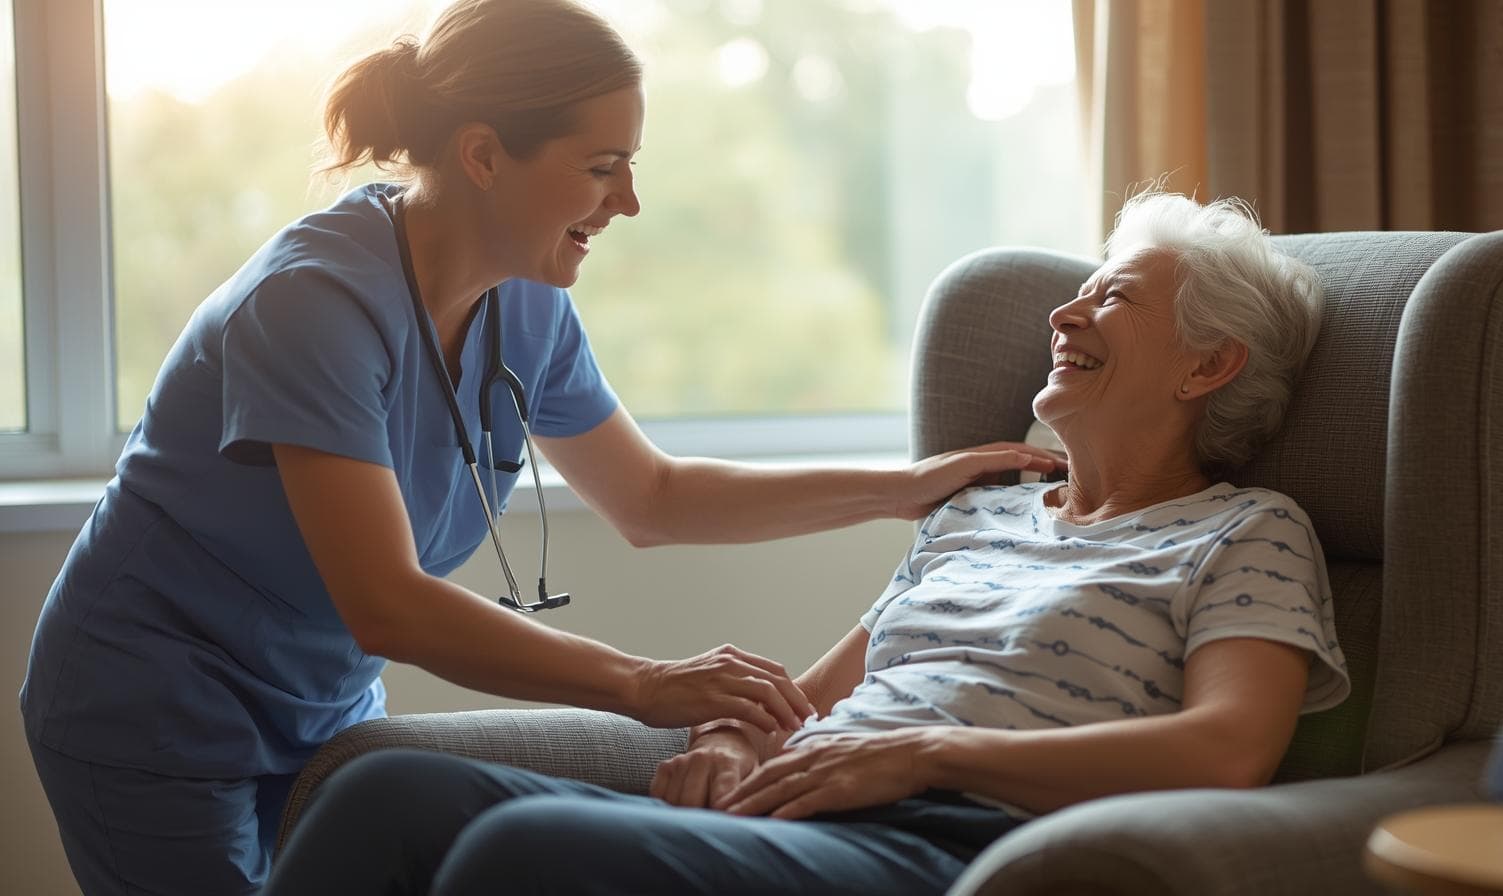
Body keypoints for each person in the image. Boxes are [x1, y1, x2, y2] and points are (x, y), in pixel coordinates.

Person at [17, 2, 1064, 894]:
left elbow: (653, 496)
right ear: (481, 154)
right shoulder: (313, 307)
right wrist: (646, 683)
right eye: (601, 166)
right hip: (153, 704)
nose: (629, 202)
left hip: (318, 703)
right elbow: (389, 602)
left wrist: (905, 487)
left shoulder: (525, 304)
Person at [262, 190, 1352, 896]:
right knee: (385, 793)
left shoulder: (1245, 530)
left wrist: (929, 752)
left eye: (1112, 297)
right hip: (810, 809)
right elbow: (814, 698)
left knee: (519, 856)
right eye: (1077, 290)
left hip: (957, 840)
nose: (1065, 314)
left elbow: (1227, 749)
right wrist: (739, 746)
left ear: (1207, 367)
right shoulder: (979, 512)